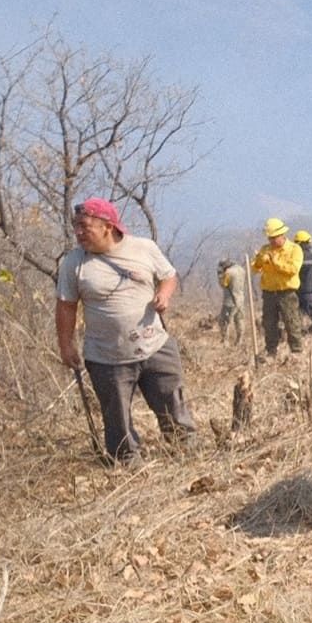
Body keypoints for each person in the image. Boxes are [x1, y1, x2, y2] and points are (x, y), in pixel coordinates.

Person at [54, 197, 196, 463]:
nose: (79, 233)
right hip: (106, 356)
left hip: (155, 346)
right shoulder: (74, 263)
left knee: (172, 405)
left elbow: (168, 275)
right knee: (116, 419)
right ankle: (128, 465)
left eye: (85, 226)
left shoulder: (143, 248)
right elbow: (66, 306)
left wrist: (164, 295)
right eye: (76, 227)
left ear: (107, 226)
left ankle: (186, 454)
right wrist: (66, 344)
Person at [251, 217, 304, 355]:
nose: (272, 241)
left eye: (275, 237)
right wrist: (259, 261)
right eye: (270, 238)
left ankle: (296, 352)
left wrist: (275, 262)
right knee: (269, 324)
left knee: (292, 322)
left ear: (282, 235)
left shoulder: (295, 249)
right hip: (269, 293)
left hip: (287, 293)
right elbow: (254, 269)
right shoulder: (265, 249)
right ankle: (271, 352)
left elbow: (293, 269)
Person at [216, 258, 249, 345]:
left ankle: (225, 341)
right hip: (240, 299)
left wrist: (220, 275)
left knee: (224, 320)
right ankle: (239, 340)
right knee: (239, 320)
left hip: (230, 300)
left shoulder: (228, 272)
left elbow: (223, 284)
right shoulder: (241, 269)